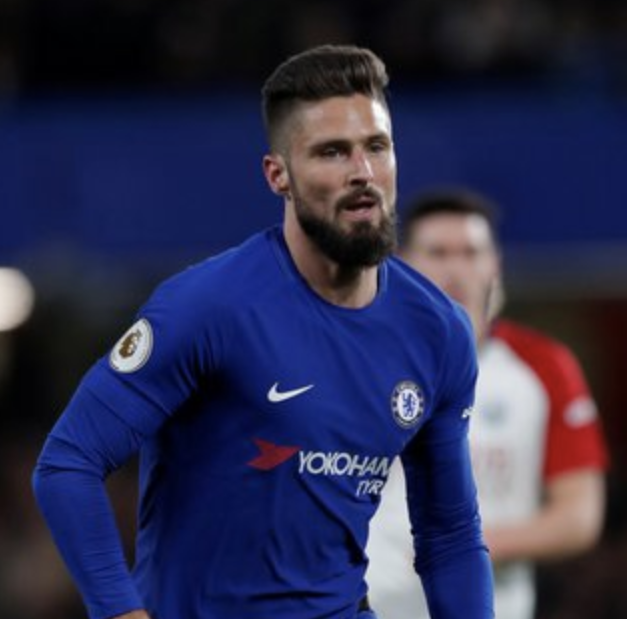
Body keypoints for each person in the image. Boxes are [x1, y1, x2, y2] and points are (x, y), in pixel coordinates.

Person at [32, 45, 494, 619]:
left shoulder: (438, 331)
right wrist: (120, 612)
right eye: (332, 152)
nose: (363, 172)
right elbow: (68, 463)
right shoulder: (207, 307)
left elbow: (450, 534)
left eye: (377, 146)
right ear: (279, 175)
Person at [366, 187, 608, 619]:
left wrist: (463, 547)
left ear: (494, 263)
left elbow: (579, 516)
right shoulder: (364, 360)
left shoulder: (544, 367)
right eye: (438, 252)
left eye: (471, 252)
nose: (456, 268)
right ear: (403, 263)